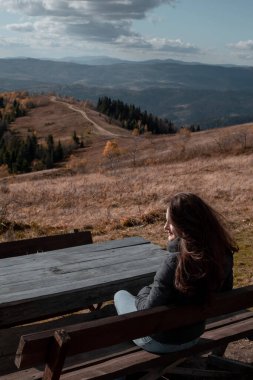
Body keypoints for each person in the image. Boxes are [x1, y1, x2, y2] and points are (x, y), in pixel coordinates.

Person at [114, 192, 237, 354]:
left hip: (159, 342)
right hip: (194, 336)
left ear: (184, 226)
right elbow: (225, 293)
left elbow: (148, 310)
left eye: (169, 222)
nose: (165, 227)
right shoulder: (223, 255)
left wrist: (144, 292)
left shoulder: (174, 263)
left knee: (120, 295)